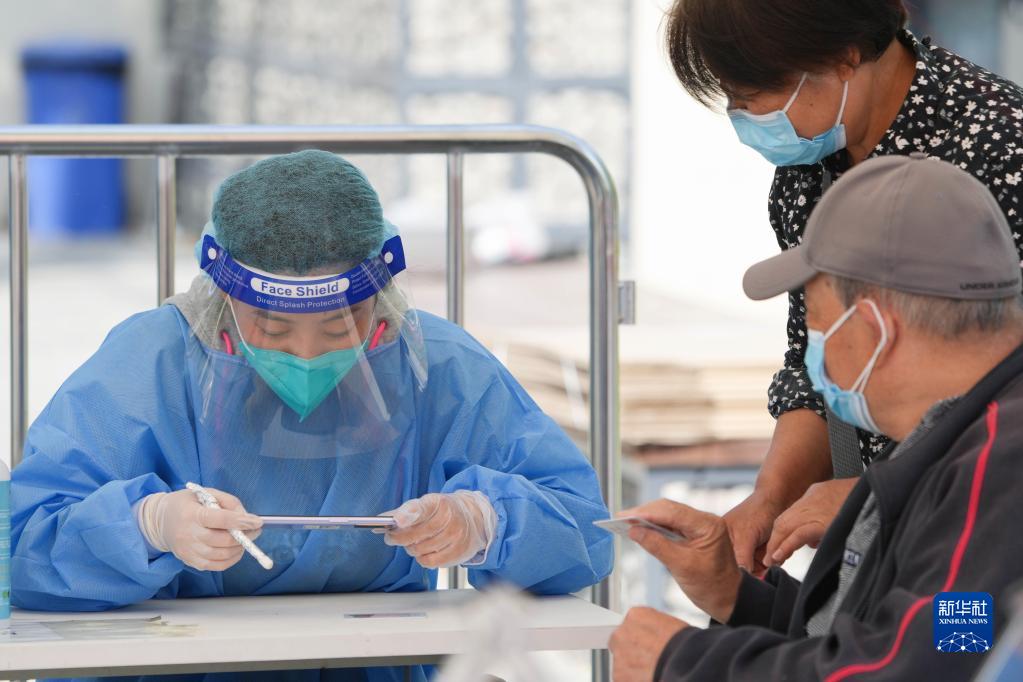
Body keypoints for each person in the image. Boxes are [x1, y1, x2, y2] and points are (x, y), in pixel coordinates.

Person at [12, 150, 613, 682]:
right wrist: (147, 527)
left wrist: (484, 524)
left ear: (380, 300)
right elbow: (25, 544)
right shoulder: (150, 363)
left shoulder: (437, 366)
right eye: (273, 330)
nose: (306, 356)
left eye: (337, 328)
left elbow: (585, 529)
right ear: (224, 298)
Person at [610, 154, 1023, 681]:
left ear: (874, 328)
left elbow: (935, 662)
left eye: (817, 324)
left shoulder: (1000, 469)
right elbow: (889, 639)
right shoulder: (952, 436)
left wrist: (685, 662)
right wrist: (739, 598)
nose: (812, 351)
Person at [664, 0, 1023, 574]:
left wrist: (881, 495)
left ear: (843, 56)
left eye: (753, 93)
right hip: (893, 541)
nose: (743, 115)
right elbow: (819, 360)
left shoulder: (1000, 147)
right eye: (731, 97)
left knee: (956, 626)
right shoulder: (810, 166)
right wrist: (770, 499)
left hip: (982, 540)